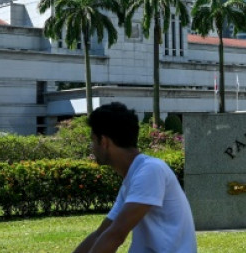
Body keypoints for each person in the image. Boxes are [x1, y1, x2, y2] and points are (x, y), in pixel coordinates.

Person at [73, 102, 197, 253]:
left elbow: (116, 235)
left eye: (93, 140)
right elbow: (101, 234)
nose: (92, 147)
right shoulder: (134, 176)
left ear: (104, 142)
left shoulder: (150, 170)